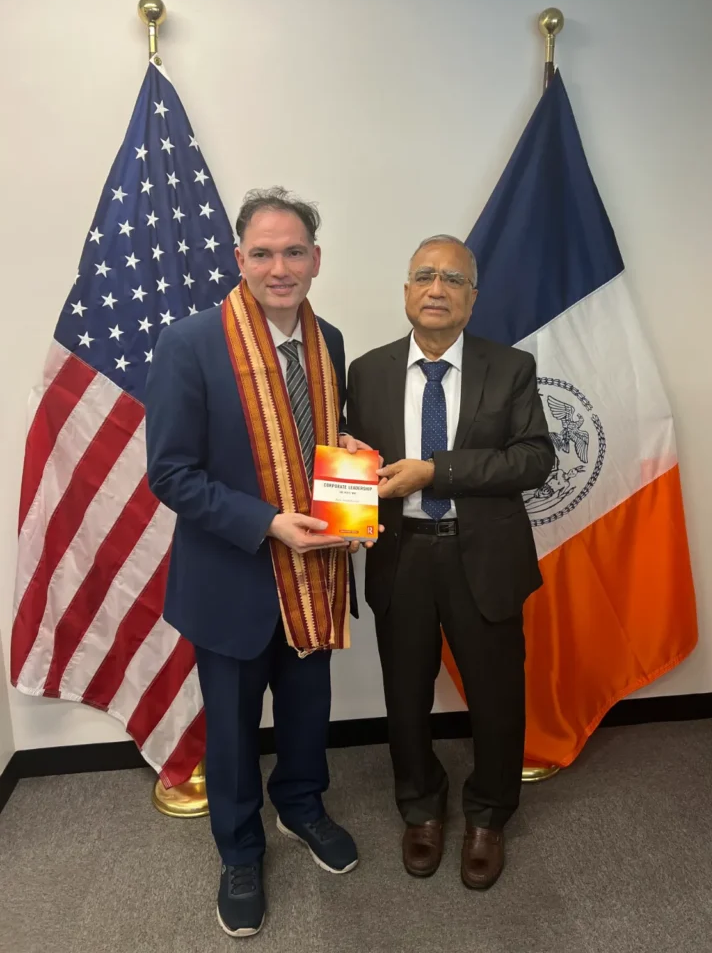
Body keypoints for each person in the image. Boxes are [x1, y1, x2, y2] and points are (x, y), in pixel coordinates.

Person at [145, 188, 371, 938]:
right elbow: (170, 474)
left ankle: (301, 806)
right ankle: (240, 850)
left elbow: (317, 436)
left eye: (294, 251)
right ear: (239, 259)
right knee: (235, 729)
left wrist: (350, 455)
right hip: (233, 577)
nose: (281, 268)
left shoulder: (328, 338)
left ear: (316, 259)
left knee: (308, 711)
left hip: (315, 573)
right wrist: (268, 523)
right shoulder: (189, 343)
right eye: (265, 253)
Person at [346, 234, 555, 890]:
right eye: (425, 276)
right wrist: (346, 505)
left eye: (453, 279)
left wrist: (437, 472)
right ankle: (421, 806)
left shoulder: (511, 367)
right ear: (407, 290)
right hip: (399, 555)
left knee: (497, 696)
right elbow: (356, 461)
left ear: (472, 297)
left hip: (484, 556)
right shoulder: (367, 371)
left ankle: (489, 813)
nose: (437, 289)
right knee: (405, 696)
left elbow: (535, 459)